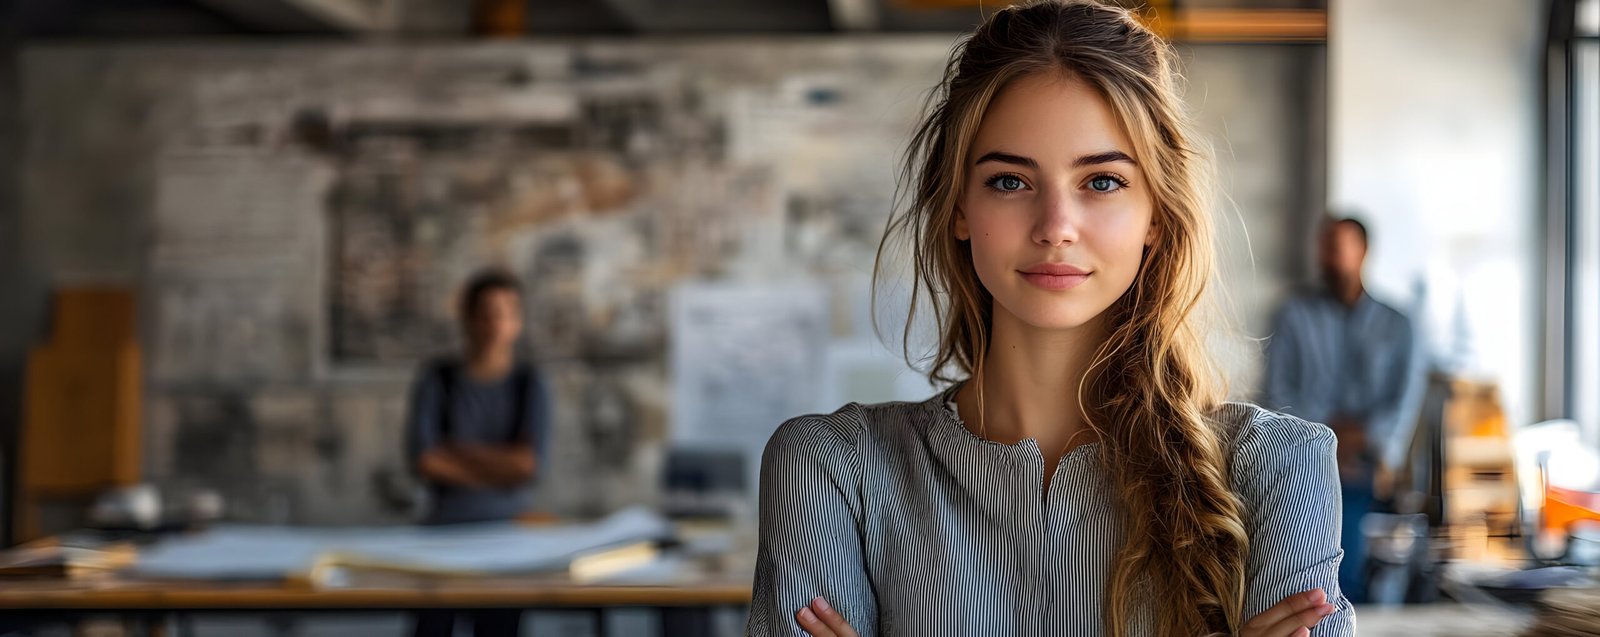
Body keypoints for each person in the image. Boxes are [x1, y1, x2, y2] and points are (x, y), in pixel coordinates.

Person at [746, 2, 1353, 635]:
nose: (1055, 228)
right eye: (1009, 181)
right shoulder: (829, 469)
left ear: (1157, 213)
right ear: (958, 206)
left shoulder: (1277, 466)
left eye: (1102, 182)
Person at [1263, 217, 1421, 605]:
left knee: (1353, 541)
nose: (1328, 258)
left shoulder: (1396, 324)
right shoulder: (1293, 316)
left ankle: (1348, 604)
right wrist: (1328, 438)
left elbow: (1404, 397)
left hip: (1369, 462)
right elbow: (1277, 390)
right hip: (1305, 455)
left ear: (1363, 252)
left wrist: (1365, 441)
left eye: (1338, 247)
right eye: (1324, 248)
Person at [405, 269, 551, 637]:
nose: (494, 323)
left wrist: (458, 451)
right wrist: (498, 468)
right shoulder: (437, 379)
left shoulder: (528, 383)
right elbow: (425, 460)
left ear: (517, 322)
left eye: (505, 313)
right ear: (468, 319)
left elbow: (528, 464)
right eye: (485, 313)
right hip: (441, 537)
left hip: (509, 539)